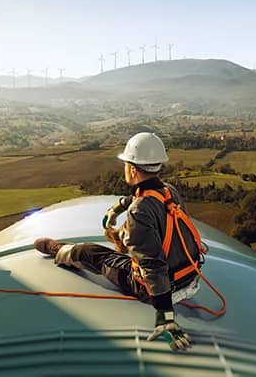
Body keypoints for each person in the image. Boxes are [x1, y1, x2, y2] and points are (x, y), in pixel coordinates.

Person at [34, 132, 204, 352]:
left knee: (92, 253)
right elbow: (142, 197)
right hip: (190, 276)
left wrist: (165, 317)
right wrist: (117, 208)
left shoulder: (139, 211)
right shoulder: (169, 191)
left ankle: (59, 249)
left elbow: (153, 266)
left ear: (132, 169)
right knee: (129, 248)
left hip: (162, 289)